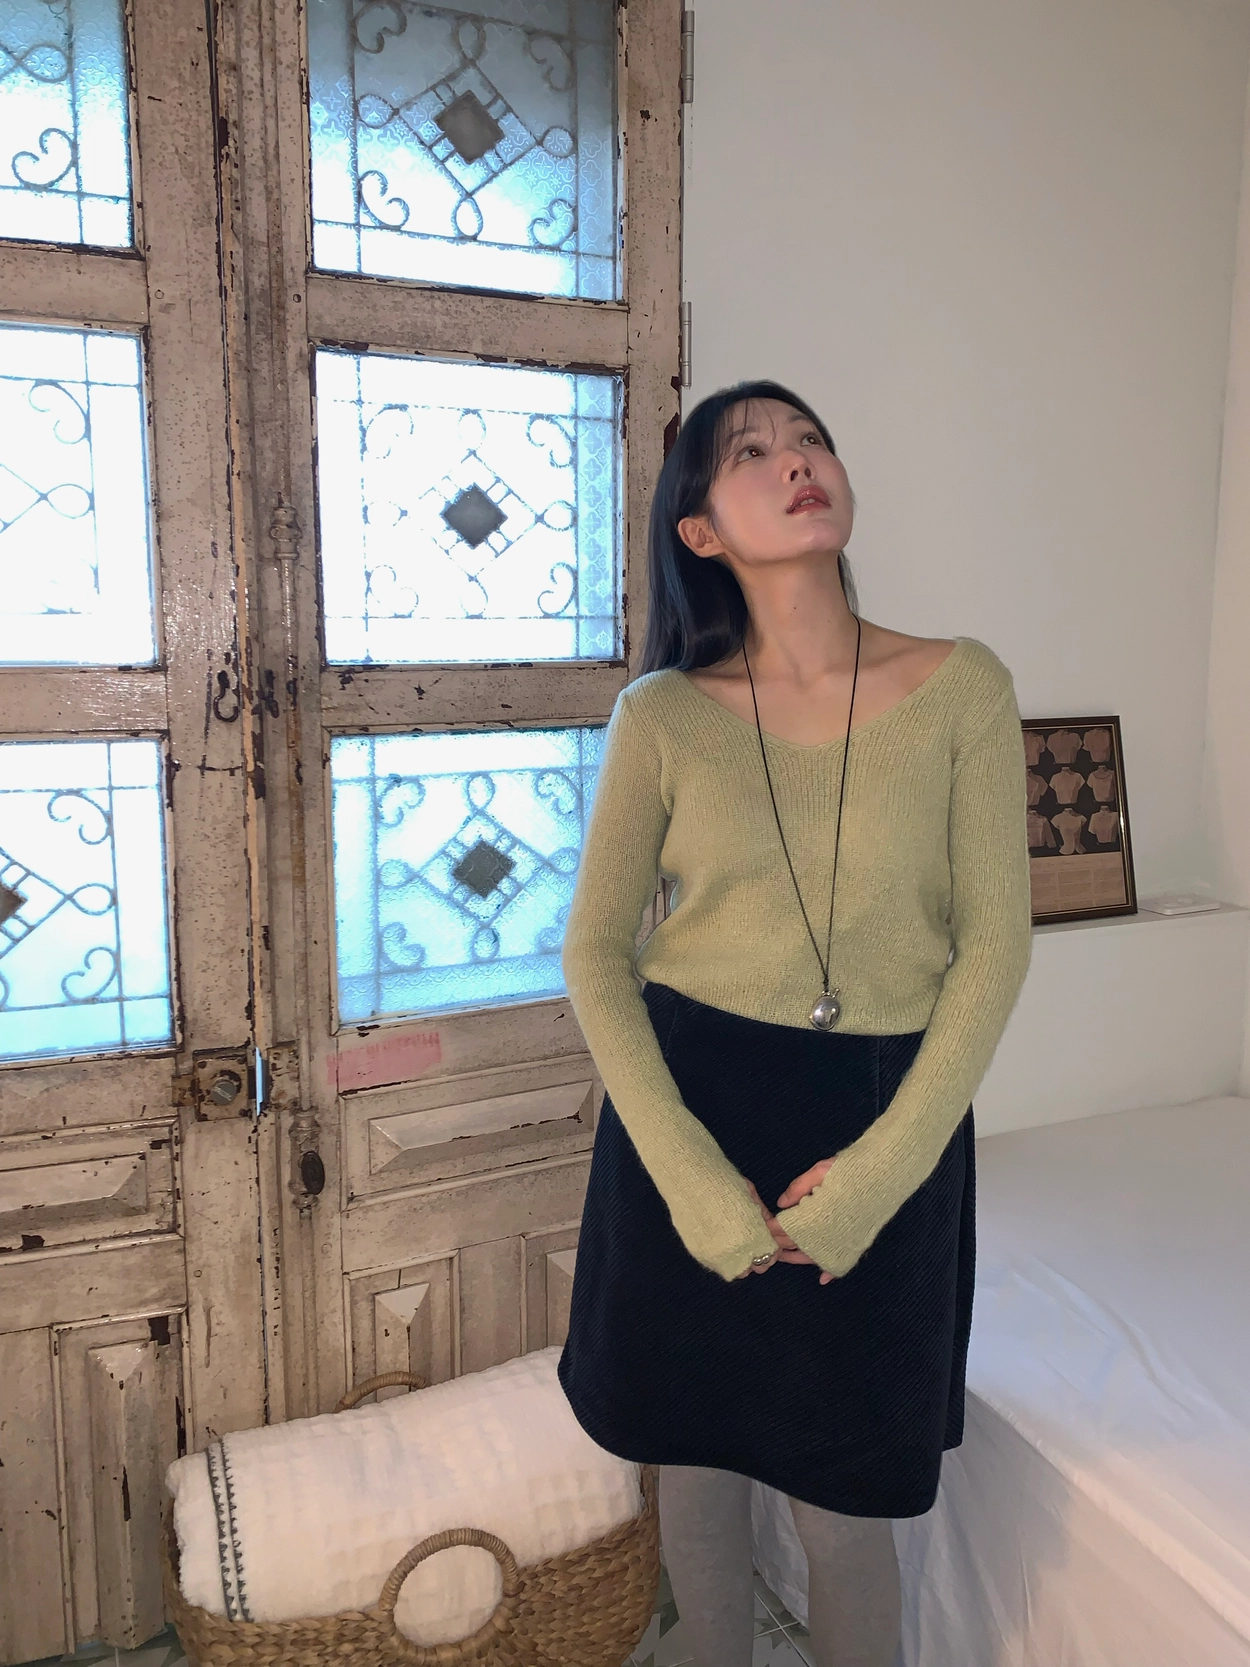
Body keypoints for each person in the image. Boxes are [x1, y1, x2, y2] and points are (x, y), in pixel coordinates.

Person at [556, 380, 1032, 1667]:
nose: (794, 462)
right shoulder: (663, 716)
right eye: (751, 453)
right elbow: (594, 954)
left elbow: (994, 947)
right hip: (688, 1113)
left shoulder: (961, 687)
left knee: (841, 1501)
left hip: (881, 1119)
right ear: (699, 529)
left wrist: (878, 1175)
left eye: (808, 438)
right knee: (694, 1466)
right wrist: (690, 1179)